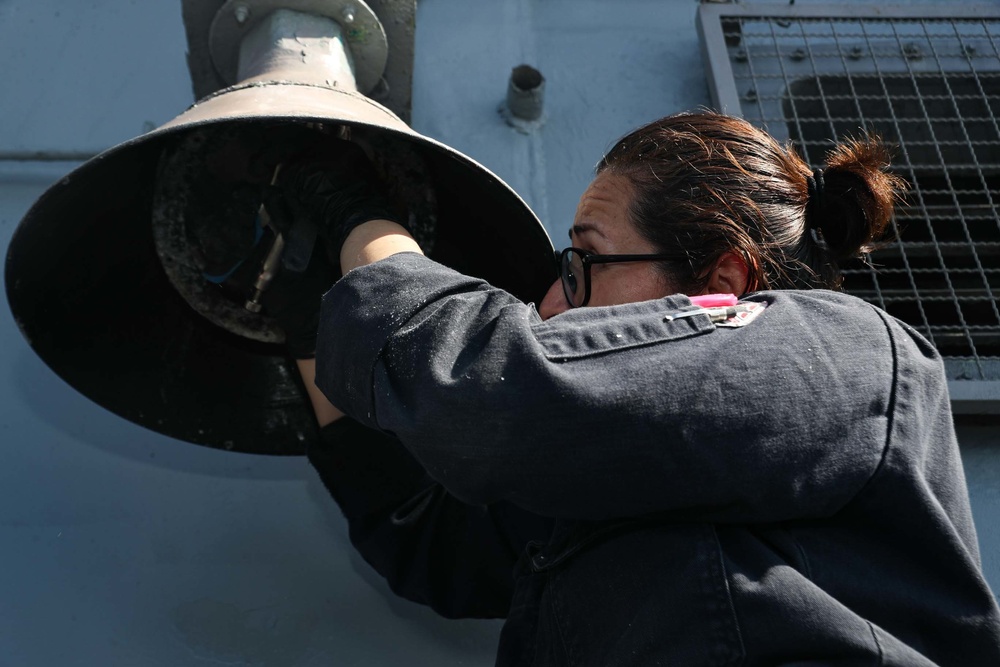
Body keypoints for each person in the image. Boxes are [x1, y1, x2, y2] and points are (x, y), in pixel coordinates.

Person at [261, 111, 1000, 665]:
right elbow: (426, 534)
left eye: (585, 262)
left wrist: (360, 220)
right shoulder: (608, 468)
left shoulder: (844, 350)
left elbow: (482, 392)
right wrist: (307, 327)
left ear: (721, 286)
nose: (550, 302)